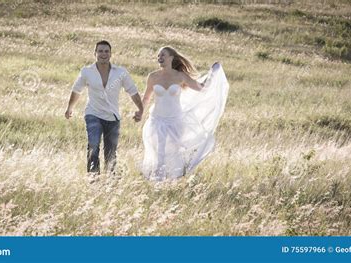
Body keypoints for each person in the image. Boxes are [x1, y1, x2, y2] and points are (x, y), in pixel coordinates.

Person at [141, 46, 229, 181]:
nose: (160, 58)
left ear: (171, 58)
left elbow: (201, 88)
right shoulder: (153, 77)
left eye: (163, 55)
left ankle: (173, 178)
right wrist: (140, 111)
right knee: (159, 151)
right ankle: (158, 180)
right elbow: (146, 97)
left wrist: (213, 74)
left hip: (175, 121)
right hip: (157, 120)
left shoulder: (180, 76)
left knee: (174, 151)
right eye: (158, 56)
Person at [65, 40, 144, 174]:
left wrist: (140, 109)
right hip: (93, 114)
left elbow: (132, 90)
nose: (103, 54)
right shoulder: (87, 71)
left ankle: (110, 180)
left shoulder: (120, 72)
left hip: (113, 117)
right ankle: (93, 178)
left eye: (106, 51)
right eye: (100, 51)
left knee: (111, 152)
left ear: (111, 54)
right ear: (95, 53)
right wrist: (69, 108)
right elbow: (76, 90)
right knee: (94, 145)